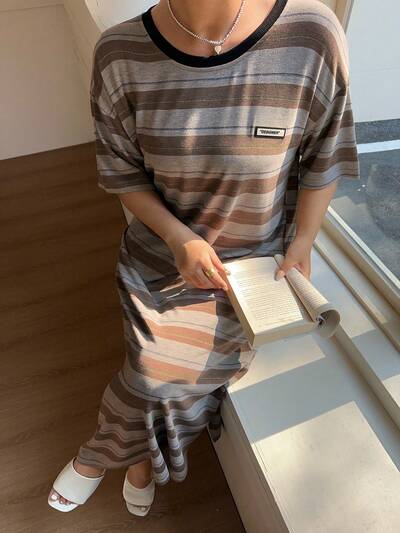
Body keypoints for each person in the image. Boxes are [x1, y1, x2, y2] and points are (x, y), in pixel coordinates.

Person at [48, 0, 360, 516]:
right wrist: (179, 239)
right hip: (161, 256)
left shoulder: (311, 34)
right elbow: (122, 173)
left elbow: (326, 153)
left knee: (155, 375)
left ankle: (104, 457)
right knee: (153, 370)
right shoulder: (120, 52)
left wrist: (304, 238)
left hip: (253, 268)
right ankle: (132, 460)